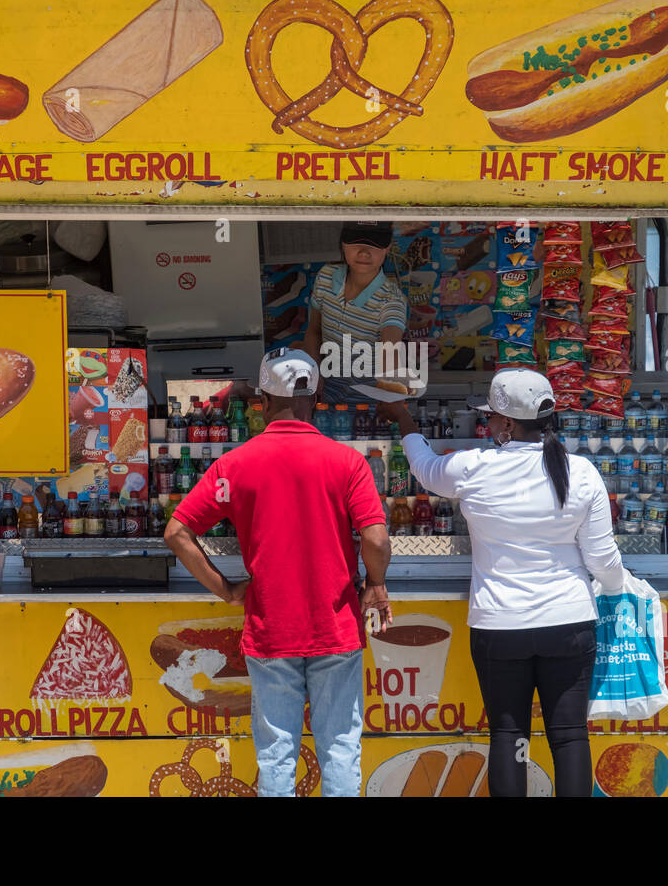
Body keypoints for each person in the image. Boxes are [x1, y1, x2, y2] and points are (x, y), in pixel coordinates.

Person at [379, 368, 626, 797]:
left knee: (509, 738)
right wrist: (619, 589)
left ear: (508, 424)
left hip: (499, 627)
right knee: (569, 736)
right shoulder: (581, 471)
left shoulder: (474, 468)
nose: (486, 425)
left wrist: (406, 423)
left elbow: (423, 468)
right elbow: (603, 559)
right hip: (568, 624)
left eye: (490, 418)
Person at [164, 348, 392, 796]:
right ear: (318, 397)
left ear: (263, 401)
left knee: (276, 753)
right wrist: (377, 583)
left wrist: (227, 590)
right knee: (340, 748)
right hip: (335, 626)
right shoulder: (348, 463)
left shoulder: (235, 464)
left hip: (272, 630)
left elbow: (177, 533)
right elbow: (377, 540)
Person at [301, 220, 408, 400]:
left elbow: (391, 353)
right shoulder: (326, 276)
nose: (364, 252)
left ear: (387, 248)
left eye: (374, 245)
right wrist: (314, 373)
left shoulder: (391, 300)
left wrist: (392, 400)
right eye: (356, 243)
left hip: (367, 410)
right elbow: (314, 331)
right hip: (324, 402)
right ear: (343, 244)